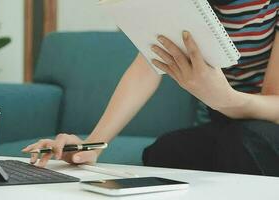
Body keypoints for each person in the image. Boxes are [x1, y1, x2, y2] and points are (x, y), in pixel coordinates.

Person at [23, 0, 279, 176]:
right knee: (165, 152)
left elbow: (273, 102)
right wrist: (92, 145)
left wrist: (226, 99)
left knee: (245, 144)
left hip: (266, 119)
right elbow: (148, 66)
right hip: (226, 118)